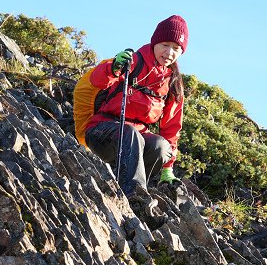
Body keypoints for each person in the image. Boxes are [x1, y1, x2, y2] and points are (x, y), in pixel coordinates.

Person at [79, 15, 188, 227]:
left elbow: (171, 128)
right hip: (102, 132)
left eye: (176, 47)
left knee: (160, 146)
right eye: (165, 45)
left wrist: (168, 169)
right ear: (155, 42)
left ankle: (131, 186)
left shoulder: (173, 83)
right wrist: (113, 67)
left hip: (133, 143)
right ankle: (136, 198)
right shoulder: (133, 62)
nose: (169, 52)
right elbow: (97, 80)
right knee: (130, 134)